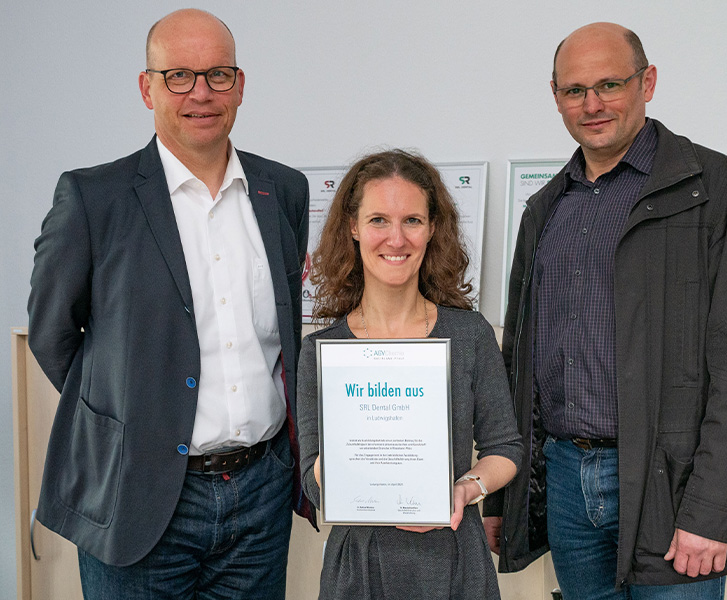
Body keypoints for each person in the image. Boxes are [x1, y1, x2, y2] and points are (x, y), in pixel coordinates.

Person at [483, 22, 727, 600]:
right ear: (555, 96)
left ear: (648, 82)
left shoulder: (716, 190)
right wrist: (503, 498)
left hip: (671, 490)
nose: (591, 104)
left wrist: (712, 509)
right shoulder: (546, 209)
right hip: (566, 483)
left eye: (609, 84)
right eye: (574, 90)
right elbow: (518, 363)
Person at [28, 9, 312, 599]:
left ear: (240, 85)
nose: (201, 93)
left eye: (218, 74)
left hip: (260, 494)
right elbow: (53, 336)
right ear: (147, 87)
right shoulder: (93, 198)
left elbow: (282, 333)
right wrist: (130, 416)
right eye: (179, 75)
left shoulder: (283, 190)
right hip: (137, 491)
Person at [296, 149, 523, 599]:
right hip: (360, 566)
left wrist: (465, 489)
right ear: (353, 227)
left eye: (412, 221)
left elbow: (506, 448)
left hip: (454, 558)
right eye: (378, 220)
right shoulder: (322, 351)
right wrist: (347, 448)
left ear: (433, 228)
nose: (396, 239)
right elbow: (311, 481)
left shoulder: (470, 334)